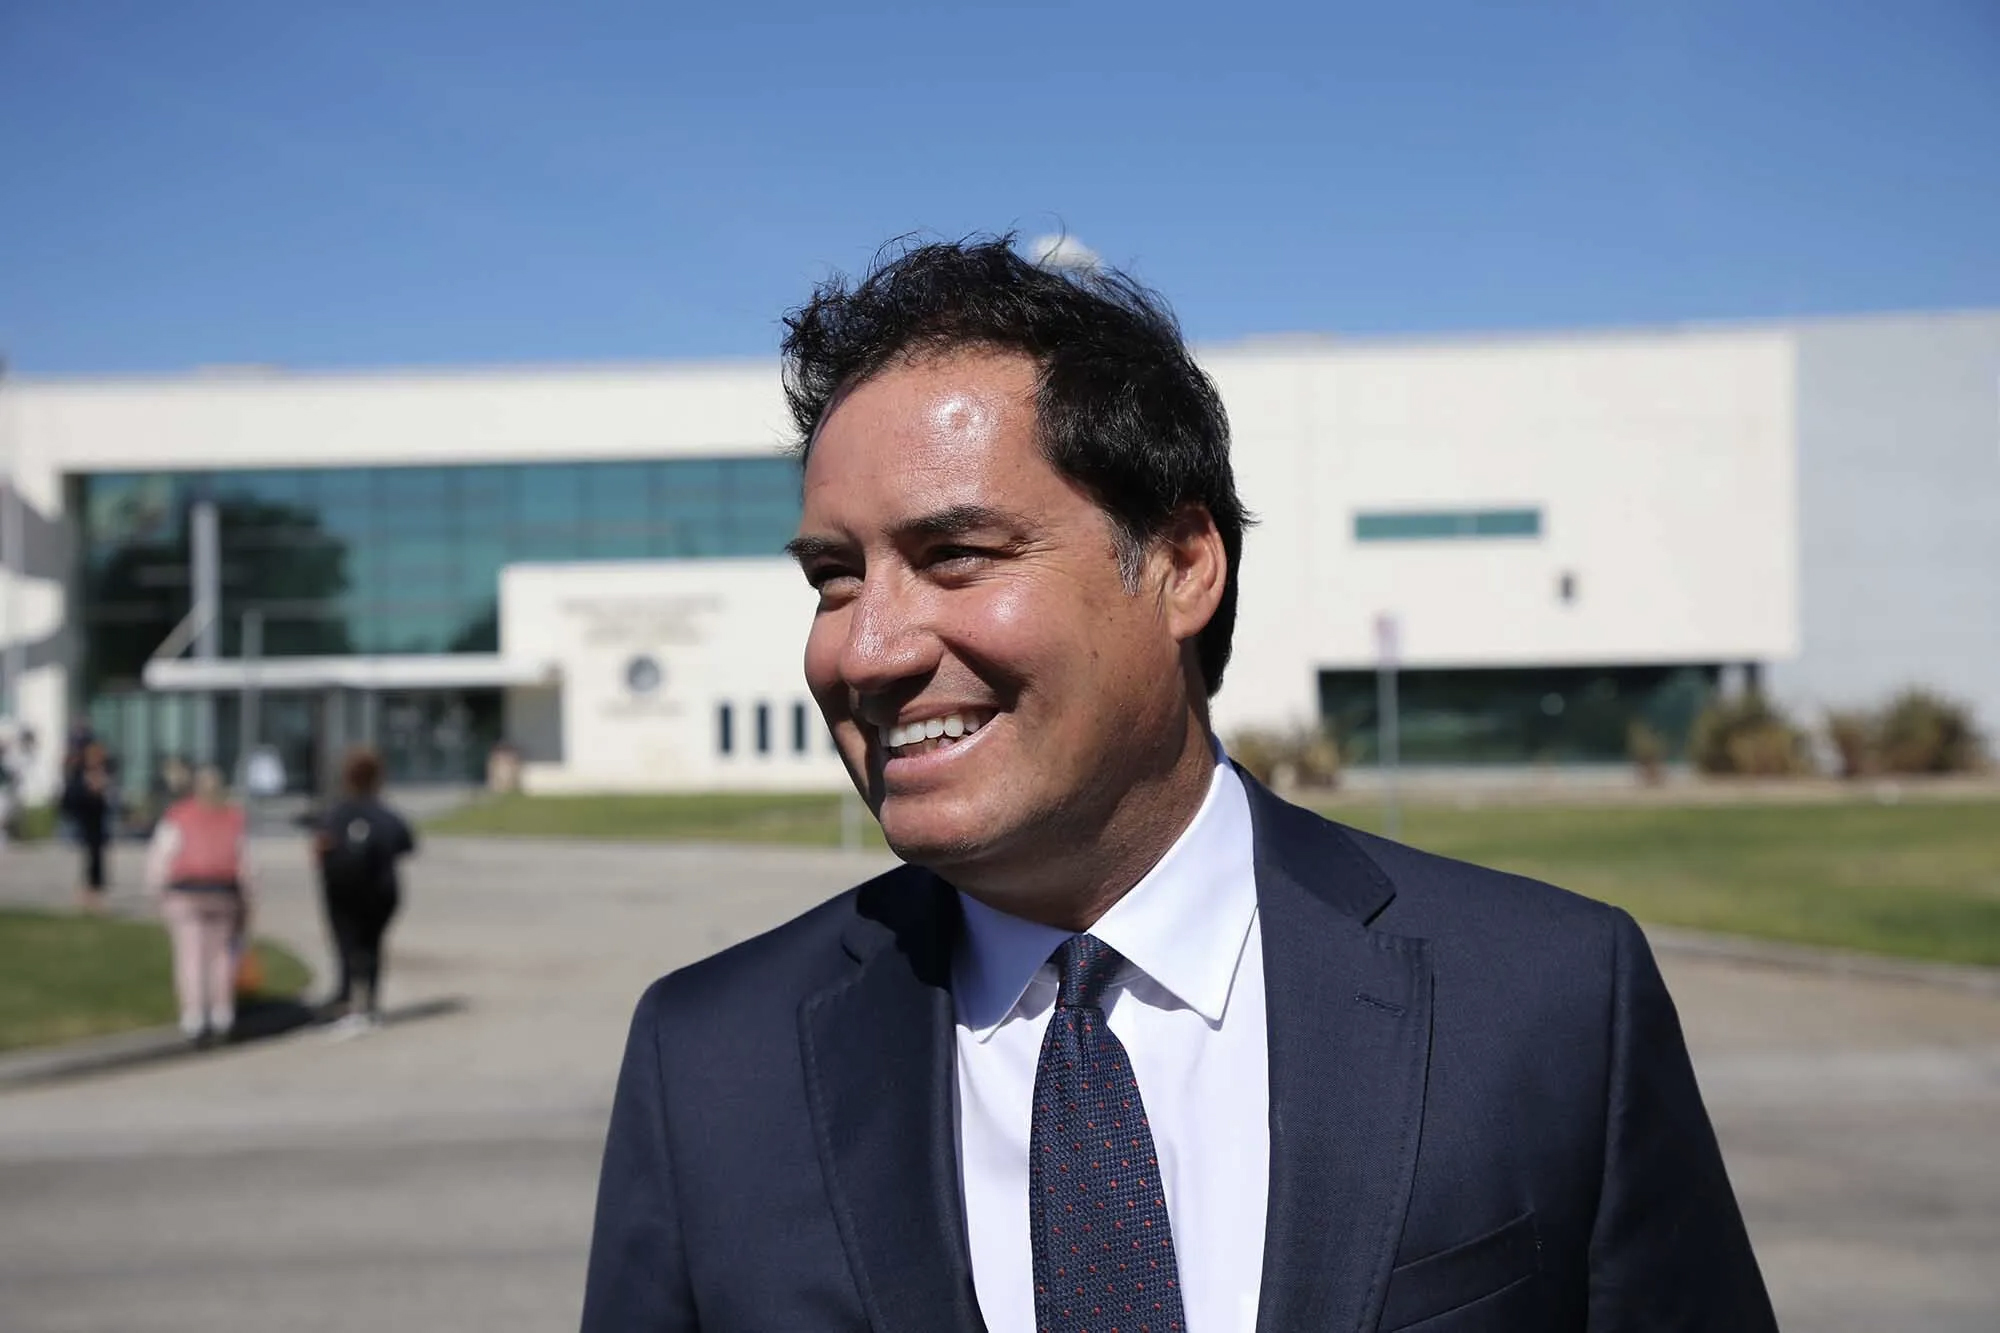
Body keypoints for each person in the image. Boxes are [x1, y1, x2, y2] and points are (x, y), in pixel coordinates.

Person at [580, 238, 1777, 1332]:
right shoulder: (711, 1064)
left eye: (954, 556)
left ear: (1180, 566)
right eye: (834, 579)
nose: (867, 649)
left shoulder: (1545, 1001)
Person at [311, 747, 415, 1036]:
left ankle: (345, 997)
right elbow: (406, 845)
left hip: (341, 892)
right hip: (380, 892)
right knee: (372, 946)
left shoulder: (335, 814)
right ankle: (369, 1002)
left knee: (346, 946)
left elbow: (321, 846)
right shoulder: (386, 816)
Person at [145, 764, 252, 1042]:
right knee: (221, 955)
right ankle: (221, 1012)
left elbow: (162, 855)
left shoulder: (179, 816)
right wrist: (249, 898)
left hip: (185, 892)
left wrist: (157, 891)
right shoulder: (232, 817)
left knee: (190, 955)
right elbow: (246, 862)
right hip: (223, 892)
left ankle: (194, 1015)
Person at [60, 740, 116, 914]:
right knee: (89, 857)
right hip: (85, 819)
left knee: (97, 857)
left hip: (98, 820)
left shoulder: (103, 773)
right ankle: (87, 893)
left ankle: (94, 892)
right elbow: (72, 797)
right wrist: (90, 791)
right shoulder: (80, 774)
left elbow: (107, 798)